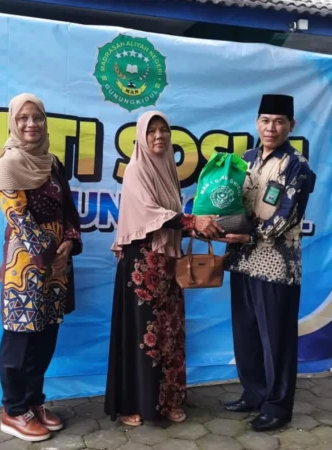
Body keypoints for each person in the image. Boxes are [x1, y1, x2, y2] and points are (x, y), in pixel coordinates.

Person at [104, 111, 222, 427]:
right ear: (141, 138)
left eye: (164, 130)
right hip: (142, 266)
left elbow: (171, 220)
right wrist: (191, 222)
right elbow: (151, 214)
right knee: (143, 336)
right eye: (152, 131)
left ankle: (168, 400)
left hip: (168, 265)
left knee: (169, 333)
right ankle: (135, 403)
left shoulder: (168, 170)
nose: (159, 136)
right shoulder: (136, 170)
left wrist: (199, 227)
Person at [216, 94, 315, 432]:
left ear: (291, 125)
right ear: (257, 123)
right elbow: (234, 204)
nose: (271, 128)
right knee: (246, 333)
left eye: (279, 121)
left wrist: (247, 235)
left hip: (277, 266)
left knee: (276, 339)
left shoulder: (297, 165)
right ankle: (254, 393)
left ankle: (277, 406)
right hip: (243, 262)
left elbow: (287, 216)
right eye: (265, 120)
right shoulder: (246, 159)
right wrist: (219, 224)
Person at [0, 93, 82, 442]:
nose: (31, 124)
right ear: (14, 122)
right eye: (23, 118)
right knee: (20, 338)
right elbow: (19, 218)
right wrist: (50, 254)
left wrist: (69, 242)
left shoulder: (52, 162)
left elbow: (67, 209)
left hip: (57, 265)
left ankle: (33, 401)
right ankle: (13, 410)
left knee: (45, 336)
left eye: (38, 117)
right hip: (25, 267)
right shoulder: (9, 163)